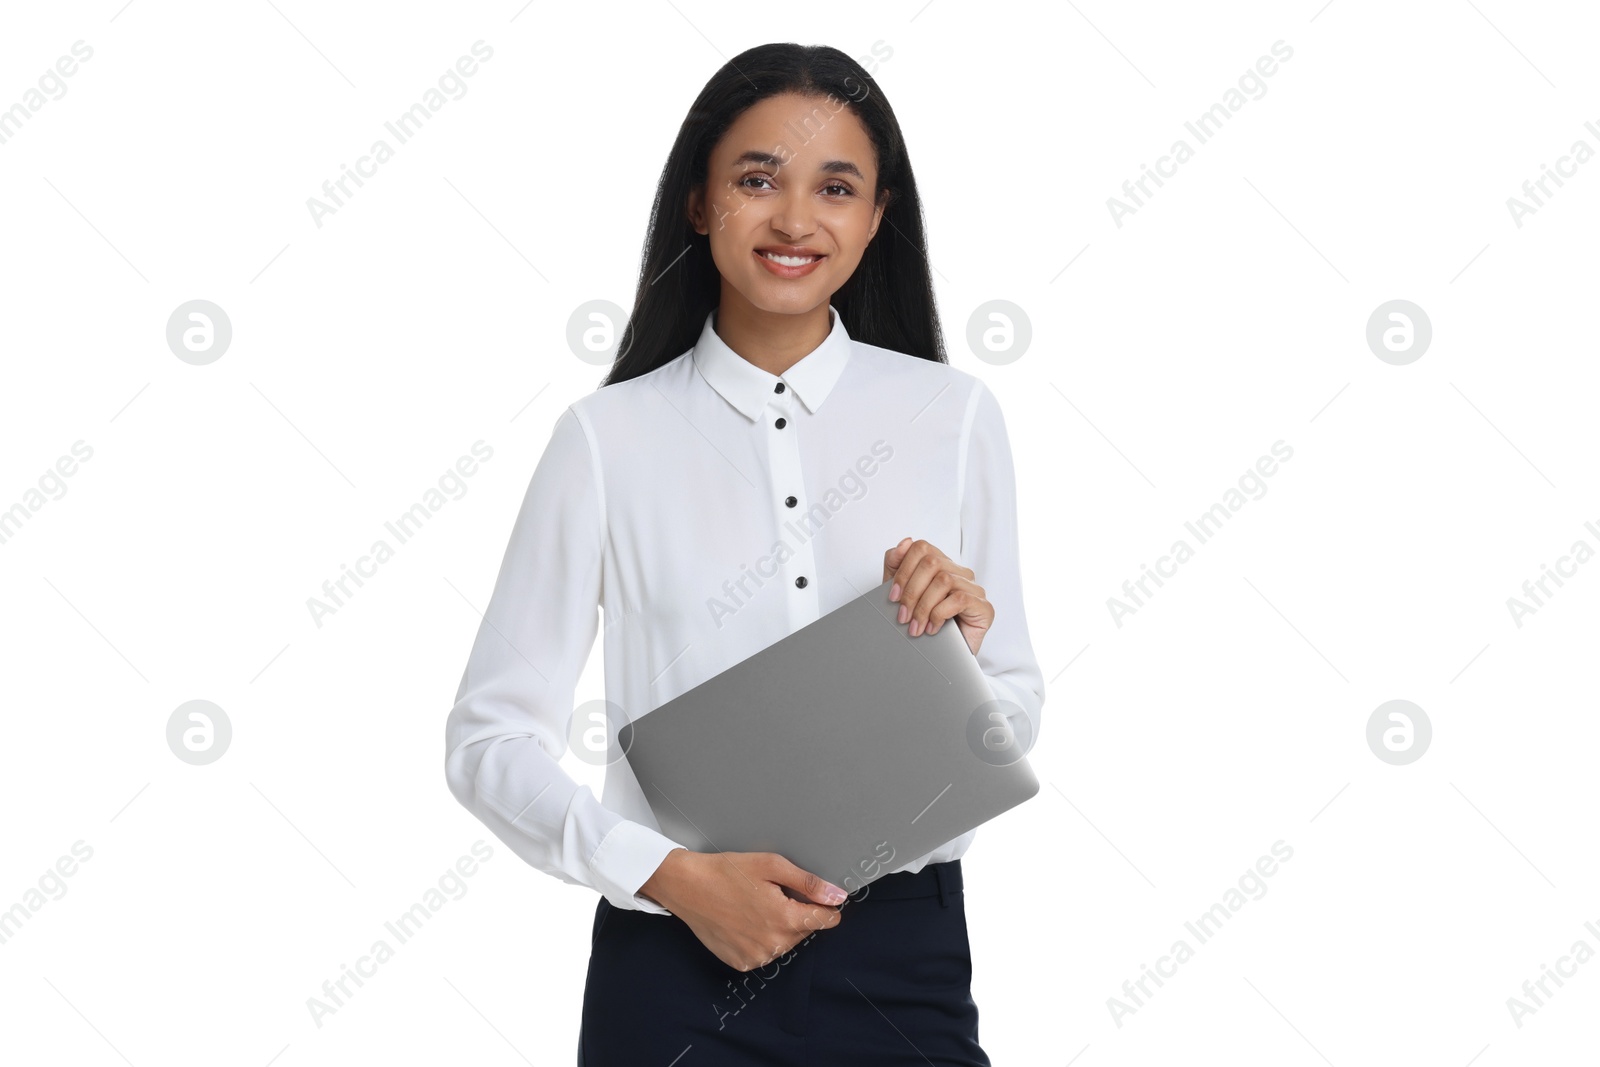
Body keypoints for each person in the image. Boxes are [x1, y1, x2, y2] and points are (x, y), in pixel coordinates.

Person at [443, 41, 1045, 1066]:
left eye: (836, 187)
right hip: (671, 966)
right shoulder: (606, 440)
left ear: (877, 214)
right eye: (757, 179)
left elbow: (1017, 709)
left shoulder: (952, 418)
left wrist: (964, 661)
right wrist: (671, 875)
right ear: (698, 202)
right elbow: (488, 742)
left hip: (902, 960)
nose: (796, 220)